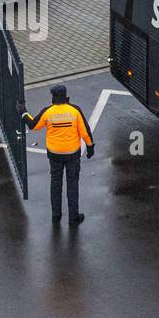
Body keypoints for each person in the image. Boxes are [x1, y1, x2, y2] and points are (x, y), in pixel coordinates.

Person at [20, 82, 95, 225]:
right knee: (72, 184)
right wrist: (90, 148)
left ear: (53, 97)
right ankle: (73, 218)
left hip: (54, 154)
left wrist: (23, 111)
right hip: (72, 154)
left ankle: (56, 215)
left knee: (55, 183)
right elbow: (85, 132)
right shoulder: (75, 111)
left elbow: (33, 125)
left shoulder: (48, 111)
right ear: (66, 95)